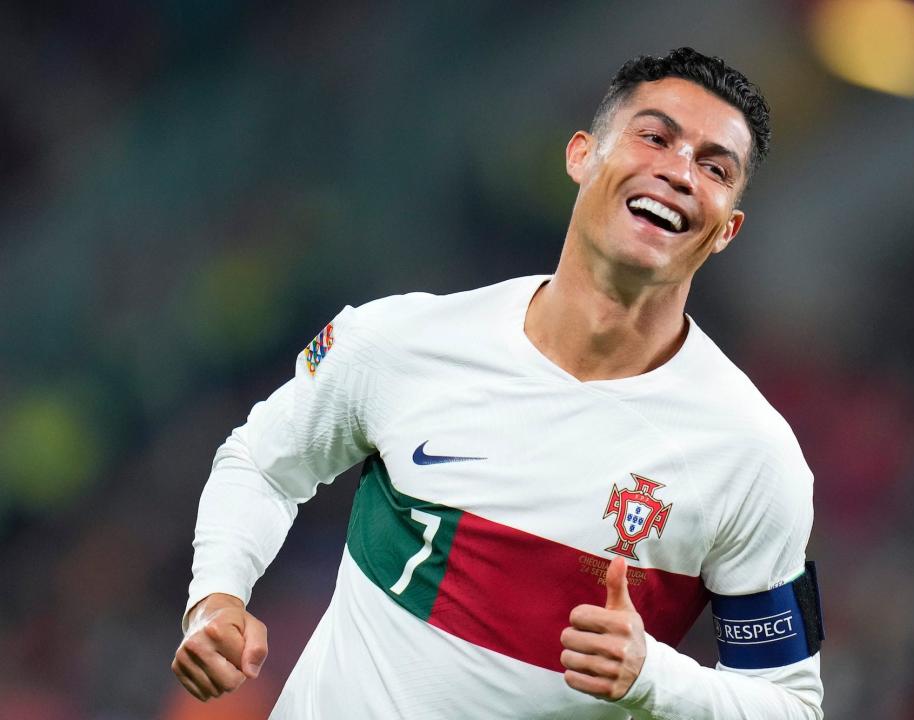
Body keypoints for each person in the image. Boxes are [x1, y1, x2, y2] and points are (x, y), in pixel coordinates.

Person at [171, 47, 825, 719]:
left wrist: (655, 679)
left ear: (727, 230)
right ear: (581, 156)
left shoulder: (753, 457)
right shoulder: (400, 341)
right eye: (655, 137)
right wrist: (217, 596)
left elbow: (791, 706)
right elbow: (261, 462)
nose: (678, 172)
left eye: (714, 167)